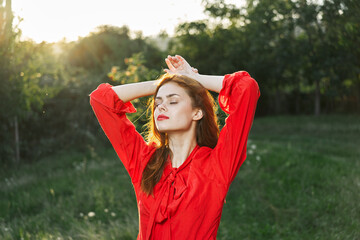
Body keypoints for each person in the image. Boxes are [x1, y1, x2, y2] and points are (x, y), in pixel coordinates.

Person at [89, 55, 260, 240]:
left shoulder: (218, 164)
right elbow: (101, 100)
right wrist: (164, 83)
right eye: (158, 102)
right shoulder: (145, 160)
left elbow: (246, 88)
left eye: (173, 101)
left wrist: (193, 79)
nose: (161, 107)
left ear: (197, 112)